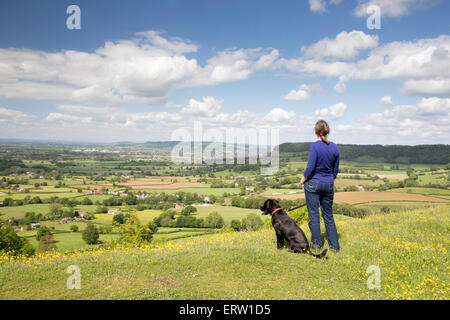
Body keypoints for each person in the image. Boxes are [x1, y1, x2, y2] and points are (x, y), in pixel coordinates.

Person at [300, 120, 340, 253]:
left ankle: (316, 245)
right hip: (329, 184)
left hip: (313, 184)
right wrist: (329, 180)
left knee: (314, 215)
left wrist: (303, 179)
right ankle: (335, 247)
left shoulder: (315, 146)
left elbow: (310, 166)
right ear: (327, 131)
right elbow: (335, 170)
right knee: (328, 216)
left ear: (315, 131)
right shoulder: (335, 147)